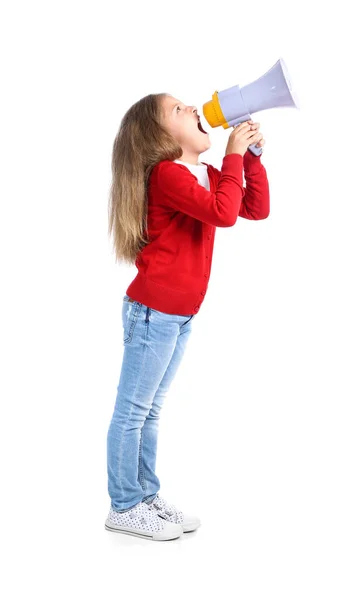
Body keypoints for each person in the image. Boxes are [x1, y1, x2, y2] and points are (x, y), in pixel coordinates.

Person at [105, 93, 270, 542]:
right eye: (178, 109)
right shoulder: (167, 175)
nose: (193, 107)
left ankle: (145, 494)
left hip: (178, 316)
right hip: (153, 312)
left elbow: (253, 208)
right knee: (133, 411)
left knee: (151, 411)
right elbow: (222, 213)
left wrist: (250, 158)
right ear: (160, 135)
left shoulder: (203, 175)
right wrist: (234, 154)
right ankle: (123, 504)